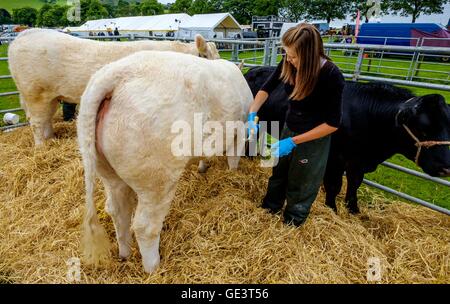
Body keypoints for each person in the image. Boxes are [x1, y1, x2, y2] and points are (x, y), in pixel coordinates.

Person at [247, 23, 345, 227]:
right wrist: (251, 115)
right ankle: (270, 207)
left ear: (308, 55)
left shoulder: (331, 75)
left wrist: (293, 141)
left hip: (312, 139)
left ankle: (292, 221)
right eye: (287, 55)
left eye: (293, 56)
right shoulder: (289, 62)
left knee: (301, 183)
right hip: (289, 128)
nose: (288, 60)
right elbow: (267, 88)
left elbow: (333, 124)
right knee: (278, 172)